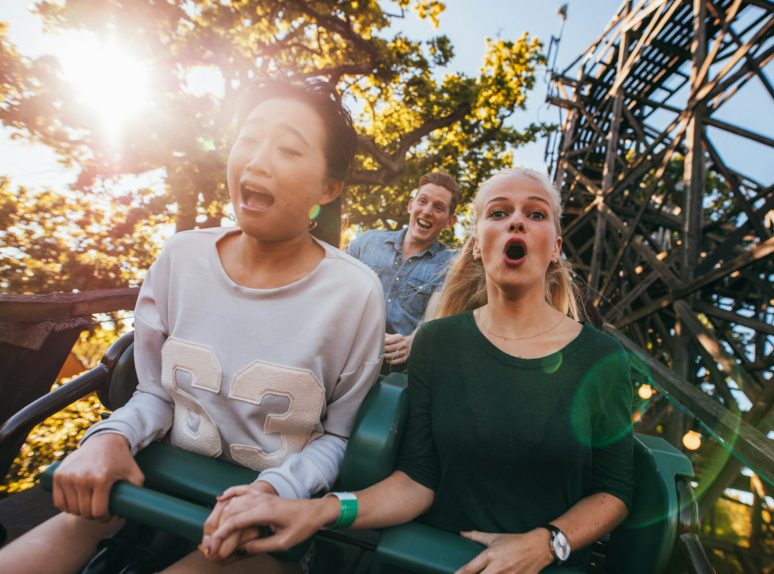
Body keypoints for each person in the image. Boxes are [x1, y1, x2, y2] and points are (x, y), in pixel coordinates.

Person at [0, 76, 385, 574]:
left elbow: (339, 438)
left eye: (289, 149)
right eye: (247, 139)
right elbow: (156, 392)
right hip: (155, 481)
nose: (257, 159)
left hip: (269, 519)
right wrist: (110, 439)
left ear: (328, 189)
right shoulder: (180, 256)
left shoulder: (355, 294)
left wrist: (275, 491)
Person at [201, 167, 635, 573]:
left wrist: (545, 543)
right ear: (479, 243)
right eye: (499, 213)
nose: (515, 222)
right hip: (426, 560)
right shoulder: (438, 343)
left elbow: (614, 492)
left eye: (535, 213)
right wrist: (319, 510)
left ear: (555, 247)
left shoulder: (602, 358)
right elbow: (416, 481)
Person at [346, 172, 461, 369]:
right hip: (346, 351)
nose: (426, 211)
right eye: (422, 201)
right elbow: (334, 288)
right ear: (410, 205)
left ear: (450, 221)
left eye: (438, 207)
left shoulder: (449, 263)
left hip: (396, 369)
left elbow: (435, 315)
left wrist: (414, 341)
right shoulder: (367, 242)